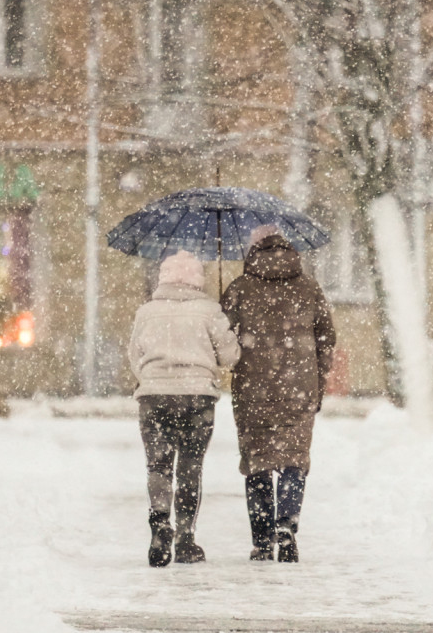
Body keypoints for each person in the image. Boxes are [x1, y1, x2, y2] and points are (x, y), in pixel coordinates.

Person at [220, 225, 336, 562]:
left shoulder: (240, 288)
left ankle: (261, 539)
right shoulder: (309, 288)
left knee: (256, 463)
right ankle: (286, 525)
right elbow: (327, 338)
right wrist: (317, 380)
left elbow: (221, 337)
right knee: (293, 461)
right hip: (299, 388)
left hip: (252, 388)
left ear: (253, 252)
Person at [128, 250, 241, 567]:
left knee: (158, 465)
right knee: (190, 468)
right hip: (197, 398)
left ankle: (160, 523)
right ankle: (185, 538)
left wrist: (152, 376)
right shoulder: (209, 311)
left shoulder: (146, 313)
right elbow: (230, 357)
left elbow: (135, 357)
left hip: (154, 397)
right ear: (198, 281)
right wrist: (226, 328)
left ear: (162, 279)